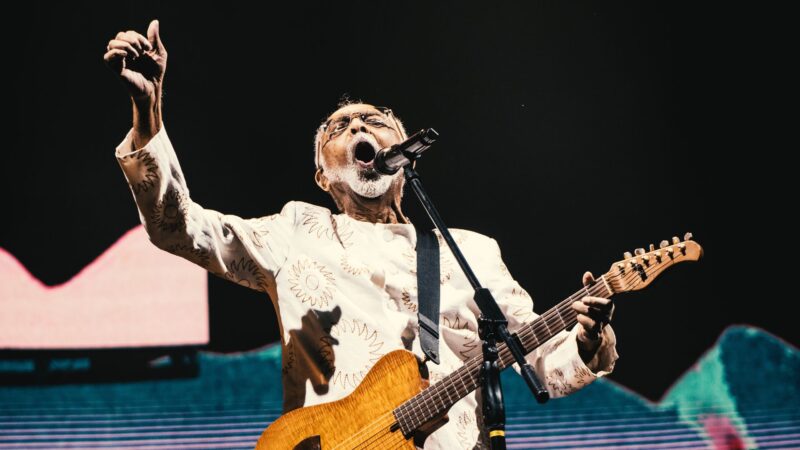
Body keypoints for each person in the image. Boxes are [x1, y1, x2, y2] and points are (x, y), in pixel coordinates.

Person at [104, 19, 618, 449]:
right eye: (338, 127)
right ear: (322, 178)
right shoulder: (296, 231)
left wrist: (589, 339)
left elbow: (545, 370)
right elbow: (180, 227)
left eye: (373, 120)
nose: (356, 128)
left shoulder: (473, 253)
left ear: (405, 147)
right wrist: (148, 116)